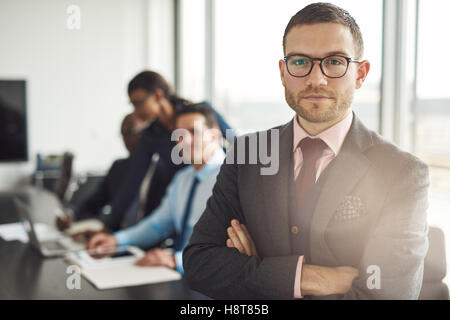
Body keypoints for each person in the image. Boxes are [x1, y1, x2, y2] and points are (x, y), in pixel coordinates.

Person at [183, 3, 429, 299]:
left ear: (361, 74)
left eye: (335, 61)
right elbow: (199, 263)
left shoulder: (402, 172)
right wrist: (306, 278)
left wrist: (256, 268)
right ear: (283, 72)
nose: (316, 79)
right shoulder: (248, 153)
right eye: (300, 62)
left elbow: (387, 295)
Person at [86, 103, 225, 274]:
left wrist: (175, 260)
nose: (185, 140)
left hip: (210, 278)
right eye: (180, 135)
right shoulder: (183, 179)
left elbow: (231, 248)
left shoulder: (233, 180)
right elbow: (157, 225)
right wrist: (116, 240)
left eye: (194, 132)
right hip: (179, 275)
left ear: (214, 135)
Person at [102, 71, 235, 232]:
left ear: (158, 96)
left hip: (213, 187)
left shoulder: (199, 113)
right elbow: (133, 180)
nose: (136, 111)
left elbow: (238, 145)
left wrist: (234, 181)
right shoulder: (150, 136)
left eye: (138, 103)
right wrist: (107, 227)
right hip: (179, 201)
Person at [56, 113, 149, 231]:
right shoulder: (119, 167)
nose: (126, 139)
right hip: (112, 237)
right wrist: (71, 214)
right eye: (123, 134)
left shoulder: (155, 169)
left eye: (130, 132)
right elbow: (94, 202)